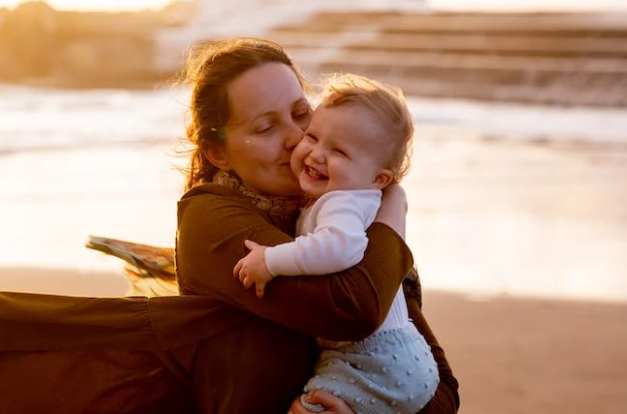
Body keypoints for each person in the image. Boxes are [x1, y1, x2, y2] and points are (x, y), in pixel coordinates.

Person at [0, 37, 459, 414]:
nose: (298, 138)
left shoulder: (331, 217)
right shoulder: (211, 220)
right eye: (265, 128)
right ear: (218, 152)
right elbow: (354, 310)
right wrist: (392, 215)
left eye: (302, 114)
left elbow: (441, 391)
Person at [234, 73, 439, 414]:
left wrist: (271, 260)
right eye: (313, 136)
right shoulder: (354, 198)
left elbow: (340, 247)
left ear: (379, 178)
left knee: (308, 409)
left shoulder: (341, 202)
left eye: (339, 151)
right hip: (404, 356)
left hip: (371, 358)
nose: (316, 154)